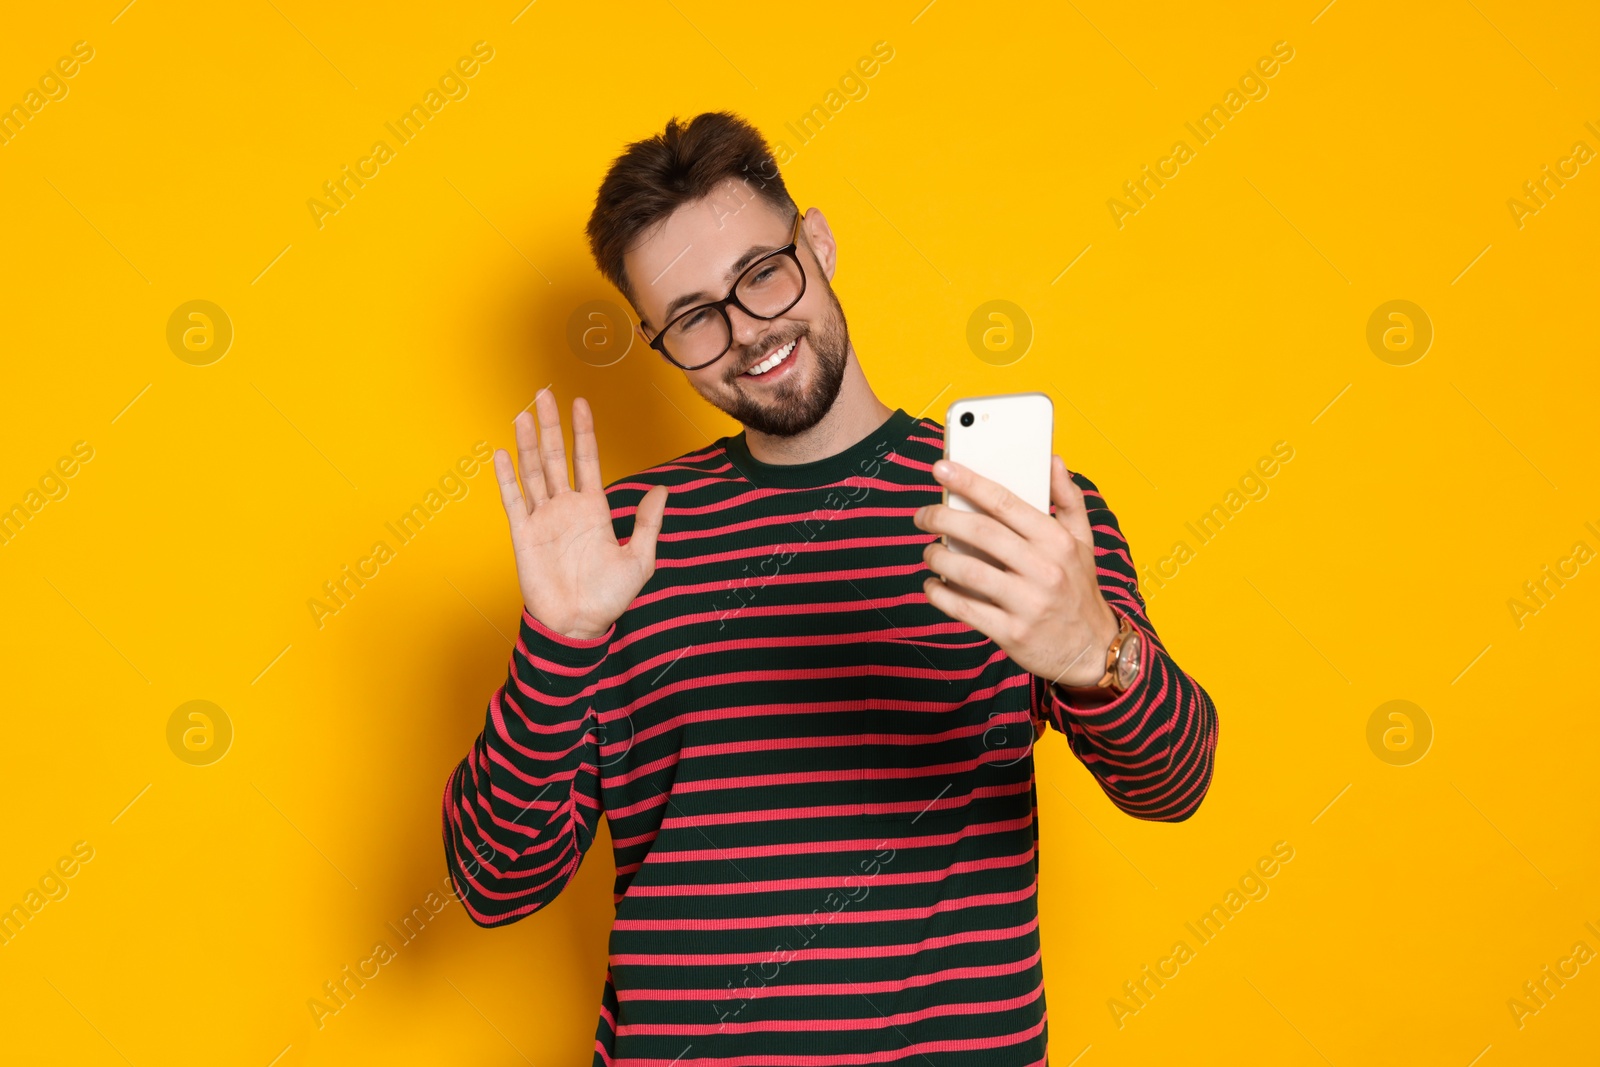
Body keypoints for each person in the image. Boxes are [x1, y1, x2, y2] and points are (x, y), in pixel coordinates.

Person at [441, 110, 1218, 1066]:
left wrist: (1096, 654)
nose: (747, 332)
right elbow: (491, 881)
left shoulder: (1017, 509)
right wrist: (558, 643)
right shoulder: (616, 545)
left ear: (817, 242)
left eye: (762, 274)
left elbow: (1176, 784)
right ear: (658, 342)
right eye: (693, 317)